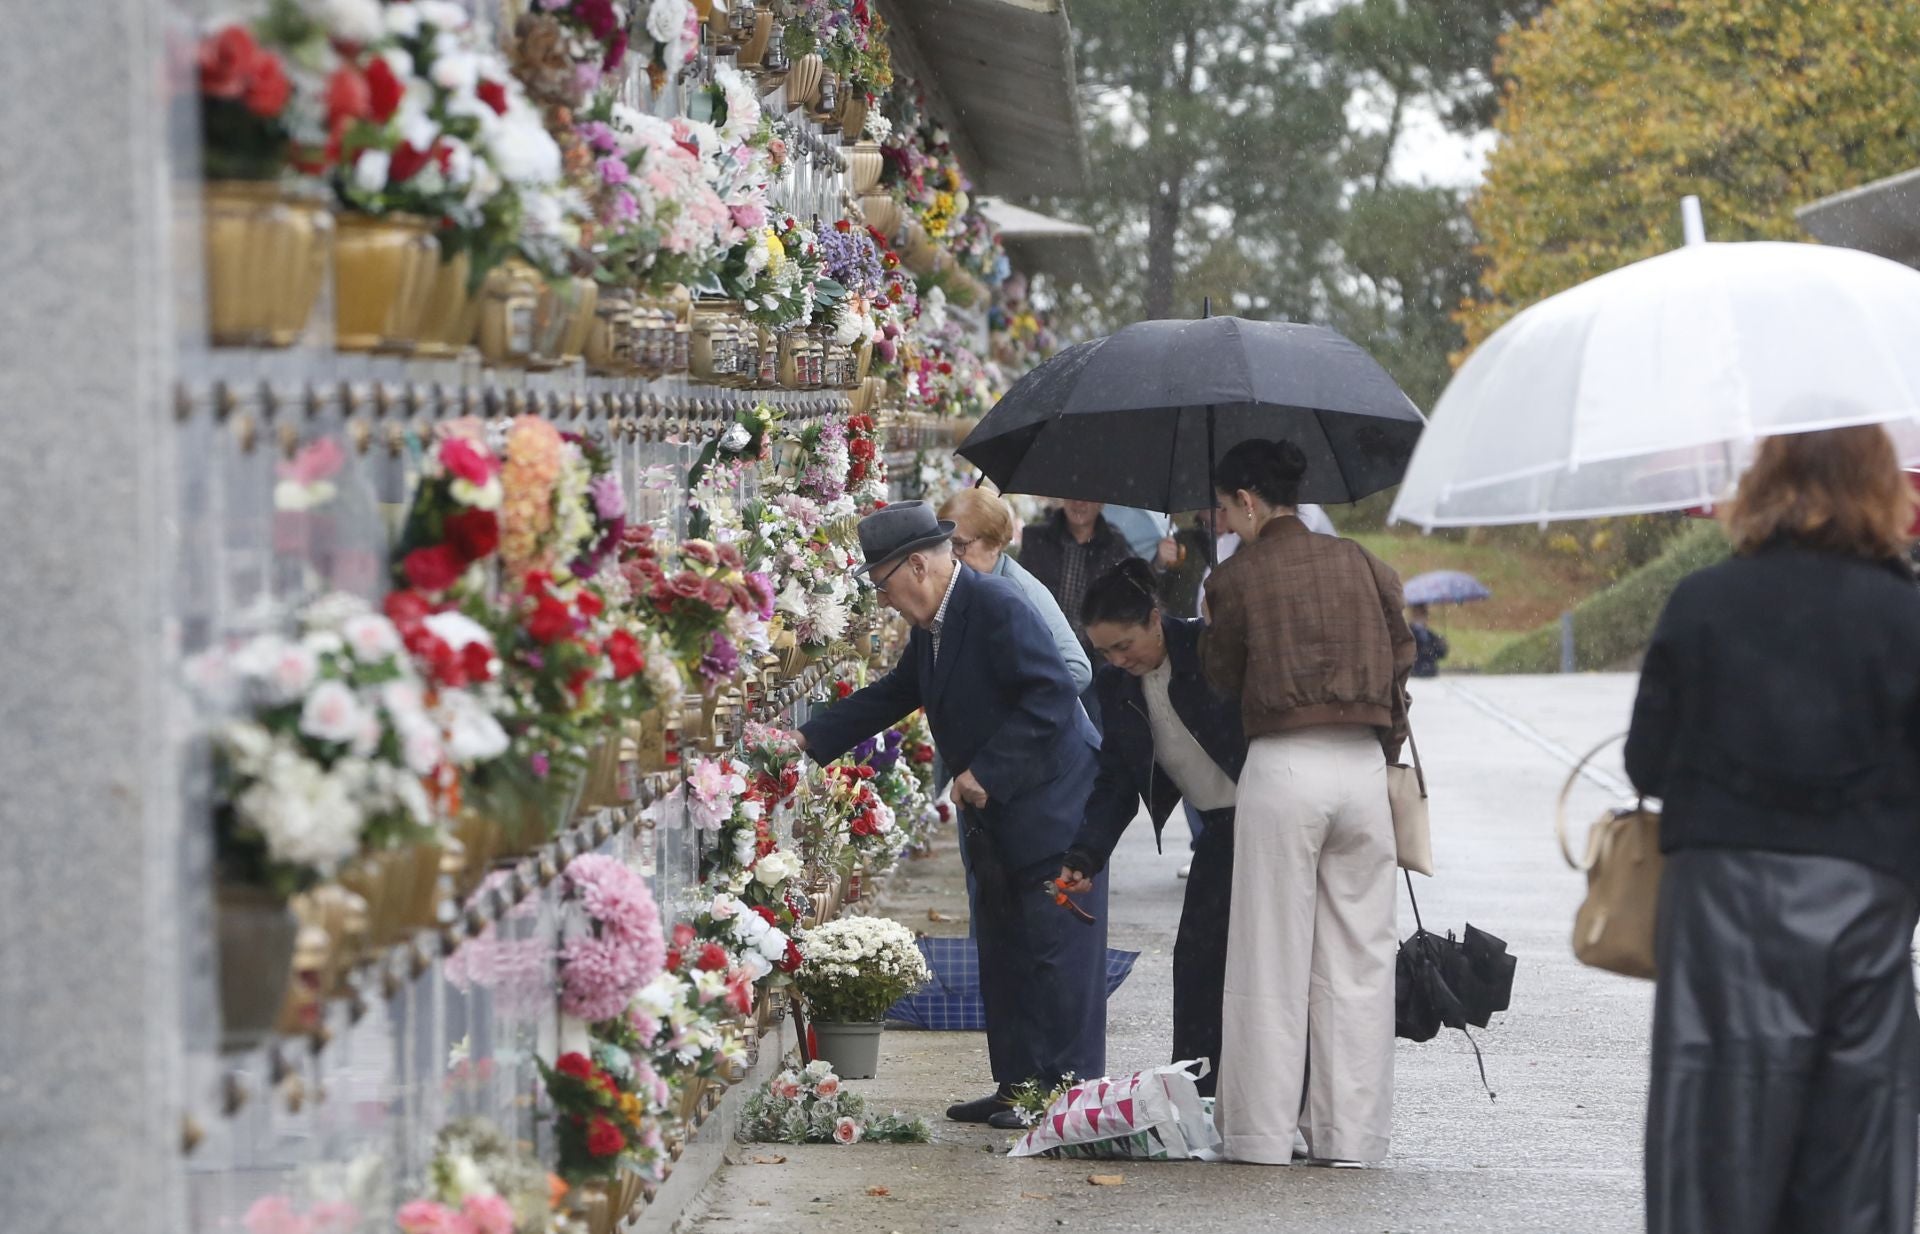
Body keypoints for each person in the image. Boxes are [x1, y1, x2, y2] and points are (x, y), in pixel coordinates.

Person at [1625, 426, 1920, 1234]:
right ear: (1882, 488)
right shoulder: (1907, 615)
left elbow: (1647, 763)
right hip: (1866, 906)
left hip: (1721, 906)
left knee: (1714, 1151)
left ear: (1763, 482)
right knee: (1856, 1155)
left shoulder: (1704, 601)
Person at [796, 502, 1107, 1132]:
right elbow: (895, 692)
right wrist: (806, 739)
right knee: (1004, 947)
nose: (884, 601)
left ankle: (1065, 1098)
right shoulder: (934, 624)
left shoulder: (994, 606)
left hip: (1049, 807)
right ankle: (1018, 1086)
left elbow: (1051, 693)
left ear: (918, 565)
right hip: (998, 815)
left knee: (1055, 952)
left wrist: (987, 771)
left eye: (883, 585)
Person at [1201, 438, 1413, 1167]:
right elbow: (1403, 657)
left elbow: (1222, 673)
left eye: (1225, 508)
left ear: (1248, 501)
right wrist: (1386, 743)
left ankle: (1260, 1135)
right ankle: (1351, 1136)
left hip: (1284, 766)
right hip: (1363, 766)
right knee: (1358, 963)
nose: (1223, 522)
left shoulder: (1237, 576)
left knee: (1270, 959)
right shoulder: (1364, 563)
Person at [1056, 559, 1244, 1095]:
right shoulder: (1118, 687)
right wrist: (1086, 853)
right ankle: (1198, 1092)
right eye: (1105, 652)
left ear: (1155, 620)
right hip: (1218, 828)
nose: (1119, 660)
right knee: (1198, 962)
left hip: (1268, 815)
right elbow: (1116, 780)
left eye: (1125, 645)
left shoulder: (1209, 650)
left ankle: (1273, 1092)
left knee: (1262, 962)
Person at [938, 488, 1093, 694]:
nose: (951, 556)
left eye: (959, 544)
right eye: (944, 543)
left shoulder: (1019, 591)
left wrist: (1016, 707)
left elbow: (1078, 669)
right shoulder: (969, 581)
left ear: (994, 544)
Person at [1016, 500, 1138, 658]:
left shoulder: (1114, 545)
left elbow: (1134, 590)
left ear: (1101, 504)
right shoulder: (1036, 538)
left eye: (1088, 499)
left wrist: (1160, 562)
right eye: (1073, 497)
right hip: (1038, 647)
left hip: (1093, 656)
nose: (1079, 504)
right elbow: (1019, 591)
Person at [1408, 603, 1448, 678]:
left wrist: (1442, 645)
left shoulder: (1431, 635)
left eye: (1424, 613)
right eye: (1420, 613)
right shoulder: (1408, 634)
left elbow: (1440, 654)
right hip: (1415, 673)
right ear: (1413, 614)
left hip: (1430, 672)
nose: (1423, 617)